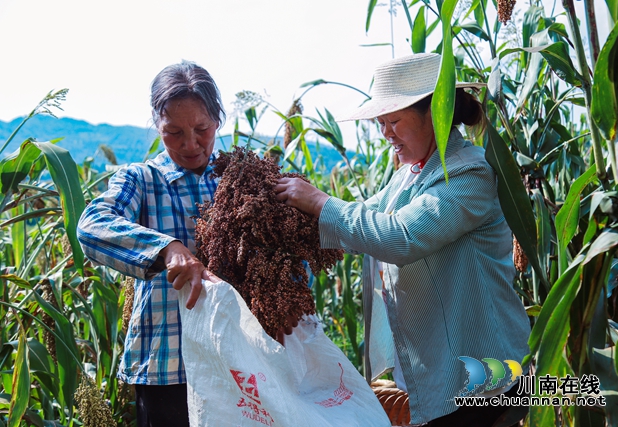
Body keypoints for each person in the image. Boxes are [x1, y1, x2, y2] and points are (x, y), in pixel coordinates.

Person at [274, 53, 531, 426]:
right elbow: (362, 223)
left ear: (436, 114)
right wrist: (286, 222)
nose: (385, 133)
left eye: (394, 121)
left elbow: (399, 237)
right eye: (381, 123)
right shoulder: (410, 174)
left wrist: (318, 200)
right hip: (446, 375)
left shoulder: (470, 175)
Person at [77, 60, 225, 427]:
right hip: (167, 365)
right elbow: (91, 226)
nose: (191, 144)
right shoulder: (142, 180)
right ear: (157, 126)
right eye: (174, 132)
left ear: (218, 121)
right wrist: (167, 249)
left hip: (233, 362)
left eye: (202, 129)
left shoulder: (234, 180)